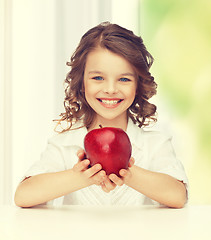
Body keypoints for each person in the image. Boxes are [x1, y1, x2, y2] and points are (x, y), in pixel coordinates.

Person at [14, 22, 188, 208]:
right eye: (98, 78)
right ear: (82, 83)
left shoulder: (155, 144)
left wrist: (128, 172)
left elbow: (178, 197)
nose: (111, 89)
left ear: (137, 86)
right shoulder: (63, 145)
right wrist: (79, 176)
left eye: (124, 79)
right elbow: (23, 196)